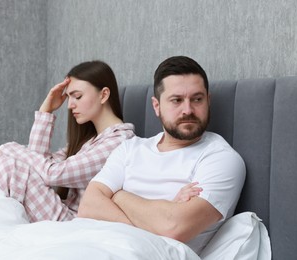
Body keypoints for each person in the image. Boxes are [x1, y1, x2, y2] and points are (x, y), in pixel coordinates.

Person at [78, 56, 246, 255]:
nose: (188, 110)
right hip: (95, 243)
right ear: (156, 106)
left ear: (208, 101)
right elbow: (88, 206)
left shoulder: (221, 159)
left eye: (197, 99)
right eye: (176, 100)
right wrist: (158, 216)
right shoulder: (130, 148)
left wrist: (118, 196)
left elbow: (173, 227)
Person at [0, 60, 135, 222]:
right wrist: (46, 110)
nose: (70, 105)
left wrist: (8, 147)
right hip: (63, 211)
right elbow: (37, 165)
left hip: (74, 221)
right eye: (69, 97)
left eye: (77, 96)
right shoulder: (89, 141)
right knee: (7, 163)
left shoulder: (119, 141)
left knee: (10, 166)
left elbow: (52, 174)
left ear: (103, 95)